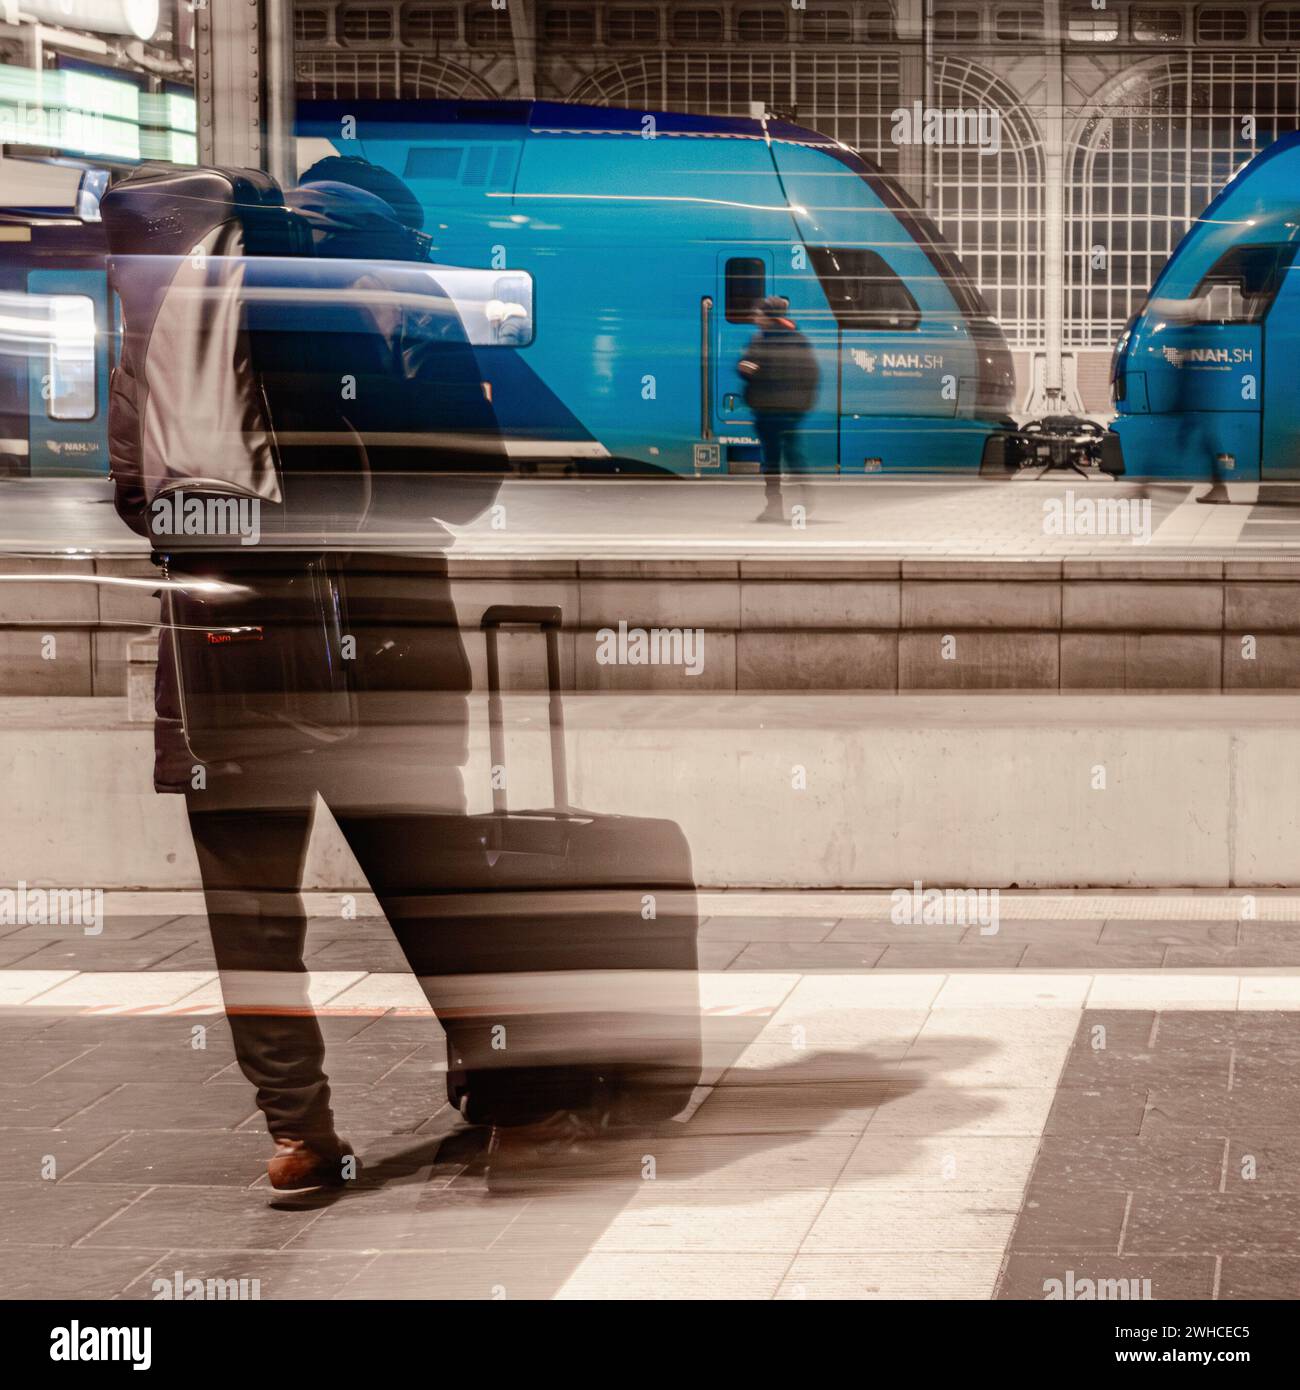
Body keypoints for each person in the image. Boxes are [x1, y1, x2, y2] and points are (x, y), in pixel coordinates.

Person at [107, 160, 506, 1191]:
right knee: (435, 884)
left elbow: (134, 493)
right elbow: (472, 478)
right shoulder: (400, 286)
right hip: (382, 638)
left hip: (221, 647)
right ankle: (500, 1090)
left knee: (251, 910)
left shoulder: (180, 291)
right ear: (395, 220)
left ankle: (298, 1133)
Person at [736, 294, 820, 522]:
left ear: (768, 317)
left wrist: (747, 369)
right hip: (791, 410)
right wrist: (804, 404)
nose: (754, 317)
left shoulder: (760, 341)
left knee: (771, 460)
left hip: (768, 409)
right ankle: (806, 495)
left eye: (758, 314)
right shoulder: (799, 339)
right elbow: (812, 374)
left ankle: (774, 505)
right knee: (793, 454)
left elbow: (746, 368)